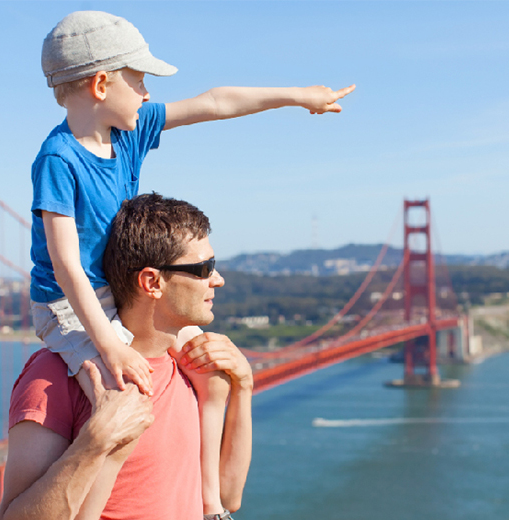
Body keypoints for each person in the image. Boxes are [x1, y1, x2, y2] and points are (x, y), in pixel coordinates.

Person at [29, 10, 355, 517]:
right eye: (138, 80)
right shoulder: (58, 159)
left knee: (206, 366)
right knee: (119, 397)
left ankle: (211, 506)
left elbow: (215, 102)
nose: (144, 94)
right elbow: (66, 264)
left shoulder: (128, 132)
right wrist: (111, 349)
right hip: (69, 309)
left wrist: (298, 96)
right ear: (100, 83)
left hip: (117, 296)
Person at [2, 194, 253, 520]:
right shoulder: (55, 376)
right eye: (204, 269)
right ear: (152, 282)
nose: (217, 280)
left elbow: (227, 498)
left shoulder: (188, 367)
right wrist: (95, 443)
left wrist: (244, 385)